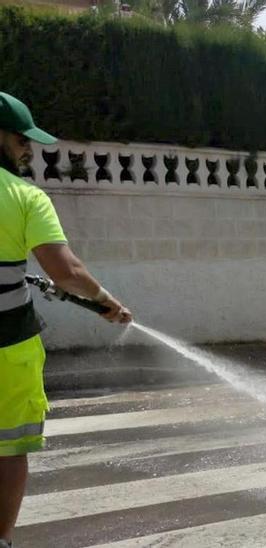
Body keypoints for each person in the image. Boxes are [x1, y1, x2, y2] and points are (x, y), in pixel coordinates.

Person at [0, 92, 131, 547]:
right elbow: (65, 271)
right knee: (9, 449)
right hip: (6, 348)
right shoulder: (22, 196)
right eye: (20, 139)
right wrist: (105, 301)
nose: (27, 150)